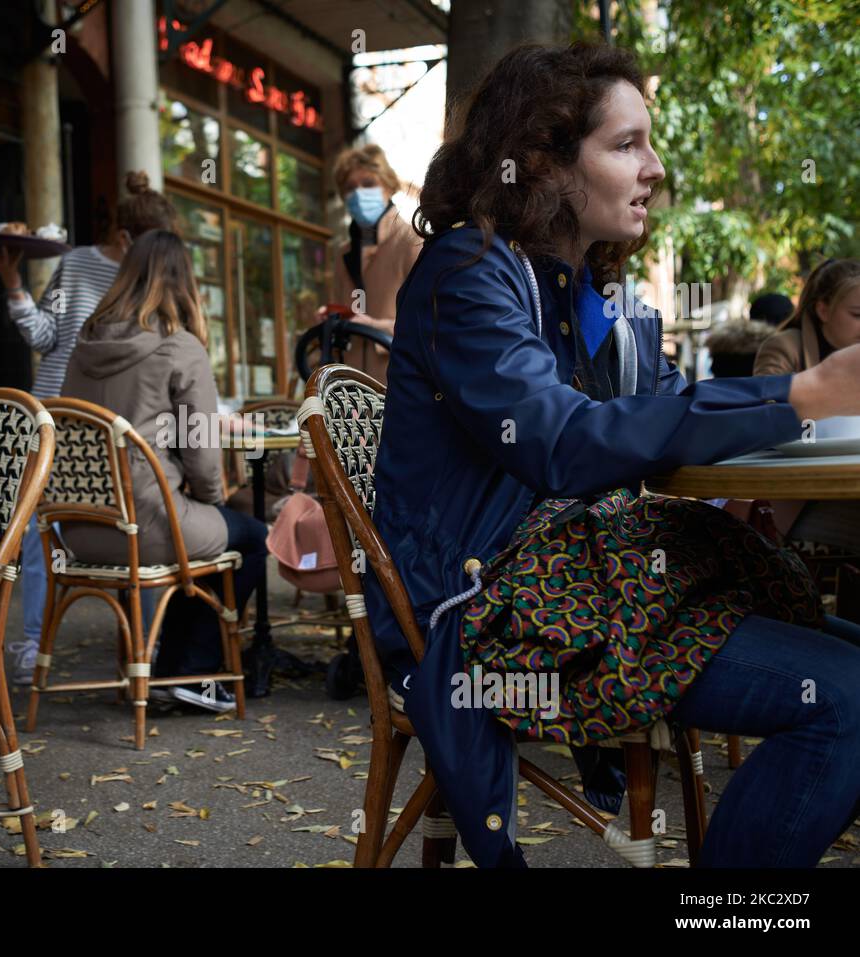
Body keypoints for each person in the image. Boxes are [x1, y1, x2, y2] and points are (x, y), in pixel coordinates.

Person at [363, 42, 860, 868]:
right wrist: (802, 395)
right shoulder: (469, 270)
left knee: (848, 662)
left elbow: (655, 410)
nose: (655, 168)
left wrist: (767, 423)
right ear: (545, 162)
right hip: (489, 610)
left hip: (579, 579)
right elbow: (562, 443)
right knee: (845, 696)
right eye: (626, 143)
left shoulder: (578, 296)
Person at [59, 230, 268, 712]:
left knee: (207, 528)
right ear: (184, 281)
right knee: (250, 535)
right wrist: (214, 499)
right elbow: (201, 454)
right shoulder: (179, 347)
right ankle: (191, 673)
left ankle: (172, 669)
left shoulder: (83, 345)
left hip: (78, 528)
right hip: (146, 526)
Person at [0, 171, 177, 684]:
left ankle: (145, 647)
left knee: (140, 520)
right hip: (58, 416)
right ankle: (31, 644)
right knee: (39, 529)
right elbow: (46, 336)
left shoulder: (160, 279)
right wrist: (14, 286)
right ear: (126, 238)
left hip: (121, 424)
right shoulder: (78, 265)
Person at [751, 259, 860, 555]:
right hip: (797, 495)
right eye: (857, 315)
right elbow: (763, 416)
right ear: (823, 309)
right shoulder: (784, 347)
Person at [309, 144, 421, 386]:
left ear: (388, 186)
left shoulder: (412, 242)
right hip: (350, 395)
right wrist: (332, 318)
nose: (359, 194)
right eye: (350, 188)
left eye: (368, 184)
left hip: (399, 388)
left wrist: (374, 326)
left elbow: (431, 325)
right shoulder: (343, 255)